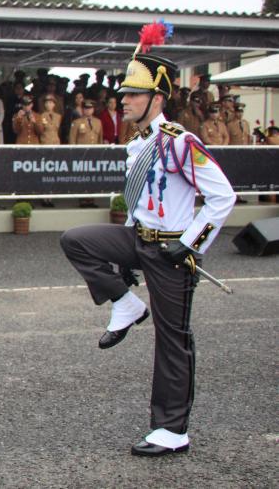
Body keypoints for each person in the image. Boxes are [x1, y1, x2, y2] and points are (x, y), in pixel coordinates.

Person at [60, 49, 235, 457]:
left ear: (157, 98)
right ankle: (125, 304)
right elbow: (139, 204)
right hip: (139, 239)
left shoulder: (179, 142)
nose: (123, 100)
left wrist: (190, 242)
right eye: (124, 94)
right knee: (76, 240)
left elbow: (222, 196)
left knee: (173, 339)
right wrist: (122, 262)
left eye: (133, 94)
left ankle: (172, 430)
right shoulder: (139, 143)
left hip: (172, 251)